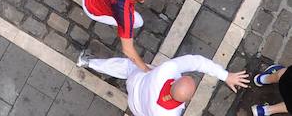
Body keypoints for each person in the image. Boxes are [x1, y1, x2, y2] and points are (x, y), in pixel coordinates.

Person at [32, 0, 154, 72]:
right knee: (138, 21)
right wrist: (145, 68)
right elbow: (127, 49)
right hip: (92, 9)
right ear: (141, 0)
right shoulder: (125, 14)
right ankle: (121, 24)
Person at [77, 52, 248, 116]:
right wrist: (225, 77)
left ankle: (87, 62)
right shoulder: (171, 114)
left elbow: (196, 61)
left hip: (137, 79)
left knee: (123, 66)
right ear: (185, 101)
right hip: (137, 107)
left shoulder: (168, 70)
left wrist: (225, 75)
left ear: (175, 81)